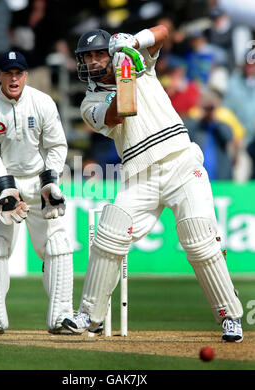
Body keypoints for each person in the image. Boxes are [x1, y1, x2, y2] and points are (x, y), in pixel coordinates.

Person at [62, 26, 243, 342]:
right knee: (109, 233)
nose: (92, 62)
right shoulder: (89, 103)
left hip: (181, 162)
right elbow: (120, 112)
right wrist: (125, 72)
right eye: (87, 57)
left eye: (98, 54)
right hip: (139, 175)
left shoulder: (139, 61)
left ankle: (230, 316)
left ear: (110, 52)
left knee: (199, 241)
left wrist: (134, 43)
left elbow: (165, 33)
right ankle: (88, 316)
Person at [0, 50, 73, 335]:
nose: (13, 78)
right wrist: (5, 186)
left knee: (56, 246)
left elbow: (56, 146)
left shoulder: (42, 103)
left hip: (38, 182)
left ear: (26, 76)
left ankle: (62, 316)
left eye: (18, 73)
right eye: (8, 73)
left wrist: (49, 182)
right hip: (2, 183)